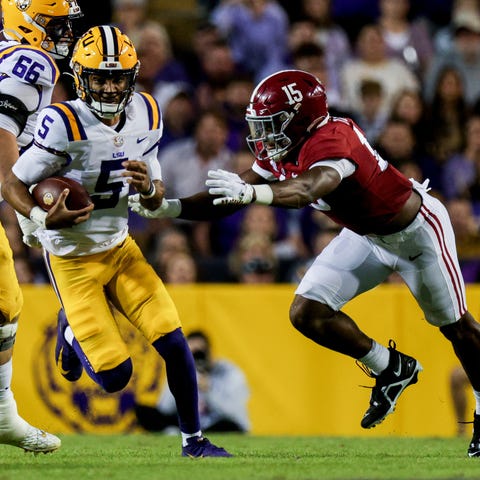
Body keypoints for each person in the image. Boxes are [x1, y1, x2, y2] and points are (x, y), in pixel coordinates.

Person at [129, 69, 480, 458]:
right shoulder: (285, 147)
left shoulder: (333, 138)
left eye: (272, 124)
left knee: (459, 328)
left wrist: (252, 192)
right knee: (307, 312)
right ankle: (390, 366)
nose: (263, 136)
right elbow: (230, 195)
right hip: (366, 235)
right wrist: (170, 207)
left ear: (300, 118)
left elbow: (308, 188)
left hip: (416, 233)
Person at [1, 25, 231, 459]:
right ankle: (69, 332)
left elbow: (155, 186)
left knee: (173, 340)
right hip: (72, 261)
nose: (109, 86)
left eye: (118, 77)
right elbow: (12, 180)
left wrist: (150, 190)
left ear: (132, 77)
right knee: (114, 377)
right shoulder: (62, 122)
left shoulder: (147, 111)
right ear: (81, 77)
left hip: (121, 248)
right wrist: (37, 214)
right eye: (100, 77)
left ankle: (193, 442)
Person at [0, 0, 83, 453]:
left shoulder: (12, 55)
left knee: (4, 302)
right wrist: (28, 212)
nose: (64, 35)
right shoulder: (30, 62)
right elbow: (2, 139)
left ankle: (1, 416)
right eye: (55, 25)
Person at [135, 330, 250, 433]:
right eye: (191, 354)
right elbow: (164, 409)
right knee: (143, 411)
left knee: (229, 426)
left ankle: (181, 434)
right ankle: (176, 432)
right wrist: (180, 383)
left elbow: (234, 413)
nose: (196, 358)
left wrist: (209, 389)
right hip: (188, 424)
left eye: (200, 353)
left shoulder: (229, 372)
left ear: (209, 352)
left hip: (216, 425)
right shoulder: (182, 370)